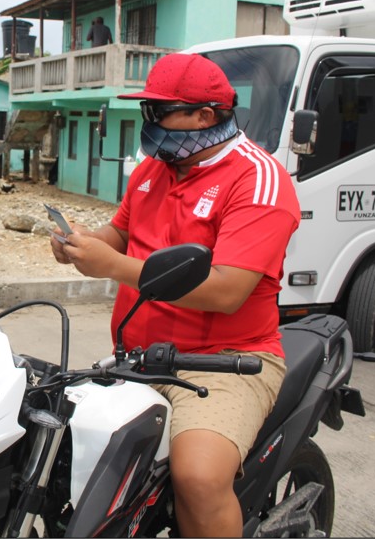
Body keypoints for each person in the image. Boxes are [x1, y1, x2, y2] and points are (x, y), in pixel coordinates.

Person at [50, 53, 300, 537]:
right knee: (63, 445)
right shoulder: (154, 169)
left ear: (204, 116)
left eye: (158, 111)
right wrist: (81, 243)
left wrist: (113, 266)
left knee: (199, 479)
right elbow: (120, 234)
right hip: (139, 356)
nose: (149, 122)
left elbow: (227, 290)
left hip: (223, 363)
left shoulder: (258, 178)